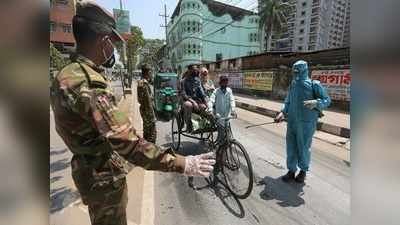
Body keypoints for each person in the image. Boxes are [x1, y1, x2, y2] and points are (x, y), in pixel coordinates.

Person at [49, 2, 215, 225]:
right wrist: (182, 163)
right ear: (104, 40)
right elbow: (129, 144)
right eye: (114, 44)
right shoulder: (87, 83)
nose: (113, 51)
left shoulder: (65, 75)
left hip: (89, 171)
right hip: (104, 179)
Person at [275, 60, 331, 183]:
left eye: (298, 71)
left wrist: (316, 102)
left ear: (304, 71)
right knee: (291, 147)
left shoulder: (314, 84)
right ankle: (291, 170)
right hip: (292, 123)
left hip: (307, 123)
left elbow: (327, 100)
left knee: (304, 147)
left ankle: (303, 171)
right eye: (294, 71)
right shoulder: (293, 85)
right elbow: (288, 102)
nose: (296, 74)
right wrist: (282, 112)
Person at [207, 75, 236, 143]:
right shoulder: (216, 91)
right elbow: (211, 101)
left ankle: (225, 145)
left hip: (227, 115)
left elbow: (232, 100)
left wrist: (233, 110)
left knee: (228, 132)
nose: (224, 84)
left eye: (226, 82)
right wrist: (210, 110)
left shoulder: (229, 90)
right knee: (221, 133)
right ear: (220, 83)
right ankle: (219, 146)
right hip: (219, 116)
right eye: (223, 82)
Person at [181, 64, 208, 132]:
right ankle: (189, 125)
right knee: (189, 105)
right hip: (187, 100)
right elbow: (184, 94)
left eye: (196, 70)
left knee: (204, 107)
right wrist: (193, 102)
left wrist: (205, 102)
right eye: (194, 70)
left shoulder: (197, 80)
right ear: (189, 70)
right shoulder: (183, 81)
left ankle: (200, 124)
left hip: (197, 100)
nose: (196, 71)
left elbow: (201, 92)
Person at [137, 64, 157, 143]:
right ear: (147, 72)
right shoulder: (144, 84)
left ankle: (146, 149)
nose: (151, 73)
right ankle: (151, 150)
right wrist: (152, 114)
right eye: (150, 72)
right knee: (152, 133)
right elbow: (148, 101)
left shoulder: (141, 82)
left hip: (144, 110)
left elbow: (139, 99)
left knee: (146, 131)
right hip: (148, 111)